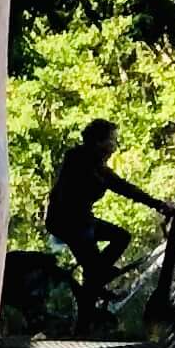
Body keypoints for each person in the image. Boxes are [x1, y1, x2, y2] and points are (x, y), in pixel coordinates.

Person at [46, 118, 166, 323]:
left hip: (83, 221)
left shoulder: (98, 166)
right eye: (111, 141)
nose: (114, 146)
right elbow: (79, 191)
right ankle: (84, 324)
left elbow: (124, 188)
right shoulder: (78, 159)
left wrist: (158, 204)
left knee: (121, 237)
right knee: (94, 273)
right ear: (98, 142)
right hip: (67, 222)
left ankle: (99, 278)